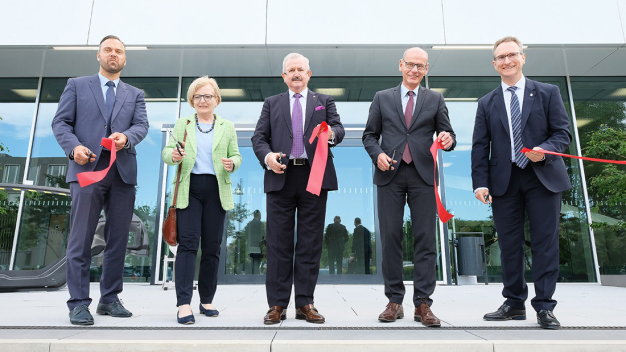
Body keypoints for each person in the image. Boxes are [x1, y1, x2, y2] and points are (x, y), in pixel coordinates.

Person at [471, 36, 571, 330]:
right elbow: (480, 146)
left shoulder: (548, 92)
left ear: (522, 57)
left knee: (544, 244)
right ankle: (514, 303)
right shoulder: (486, 102)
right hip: (505, 181)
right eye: (500, 57)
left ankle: (544, 307)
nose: (506, 61)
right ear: (494, 64)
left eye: (511, 55)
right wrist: (480, 183)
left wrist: (545, 149)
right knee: (509, 246)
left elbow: (562, 133)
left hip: (543, 177)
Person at [51, 35, 149, 325]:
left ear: (125, 58)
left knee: (118, 239)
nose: (113, 55)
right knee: (81, 239)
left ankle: (109, 298)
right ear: (98, 55)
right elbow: (61, 122)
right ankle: (79, 303)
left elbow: (141, 125)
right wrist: (73, 147)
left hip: (122, 174)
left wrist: (127, 138)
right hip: (87, 172)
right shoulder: (77, 85)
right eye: (108, 50)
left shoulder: (135, 93)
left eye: (119, 51)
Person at [362, 47, 455, 327]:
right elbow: (369, 136)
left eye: (421, 66)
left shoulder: (436, 99)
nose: (415, 70)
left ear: (426, 70)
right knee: (390, 237)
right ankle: (394, 301)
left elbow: (447, 133)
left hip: (423, 175)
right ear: (401, 65)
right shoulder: (382, 98)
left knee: (425, 238)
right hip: (389, 173)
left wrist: (448, 139)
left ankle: (423, 304)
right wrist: (376, 153)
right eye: (411, 65)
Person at [252, 53, 345, 325]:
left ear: (309, 74)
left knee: (310, 242)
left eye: (300, 70)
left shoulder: (324, 102)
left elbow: (338, 128)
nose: (296, 74)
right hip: (281, 175)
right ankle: (277, 305)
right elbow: (259, 137)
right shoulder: (271, 103)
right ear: (283, 76)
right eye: (290, 70)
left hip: (314, 176)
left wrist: (333, 135)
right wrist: (268, 157)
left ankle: (305, 303)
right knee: (278, 243)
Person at [162, 76, 242, 324]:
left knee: (212, 247)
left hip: (217, 189)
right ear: (192, 100)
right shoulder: (182, 123)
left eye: (207, 96)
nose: (202, 100)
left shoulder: (227, 126)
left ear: (216, 100)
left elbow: (236, 155)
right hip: (190, 188)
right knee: (187, 245)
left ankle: (206, 300)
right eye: (197, 96)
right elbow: (167, 153)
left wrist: (232, 164)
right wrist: (174, 155)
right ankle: (183, 303)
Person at [246, 210, 265, 274]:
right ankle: (255, 278)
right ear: (259, 215)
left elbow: (247, 236)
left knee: (251, 265)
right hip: (258, 247)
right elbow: (263, 235)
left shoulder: (249, 224)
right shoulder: (260, 224)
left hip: (250, 248)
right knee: (256, 265)